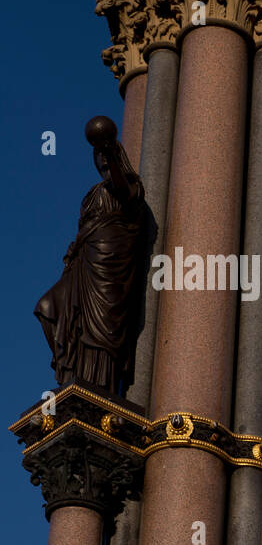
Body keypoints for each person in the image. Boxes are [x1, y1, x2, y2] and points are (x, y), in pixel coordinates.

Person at [35, 116, 147, 393]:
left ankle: (98, 386)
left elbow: (123, 191)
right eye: (97, 155)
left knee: (102, 329)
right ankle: (70, 369)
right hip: (83, 264)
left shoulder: (129, 186)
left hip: (110, 267)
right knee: (49, 307)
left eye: (106, 155)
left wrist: (109, 149)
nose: (101, 161)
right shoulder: (93, 194)